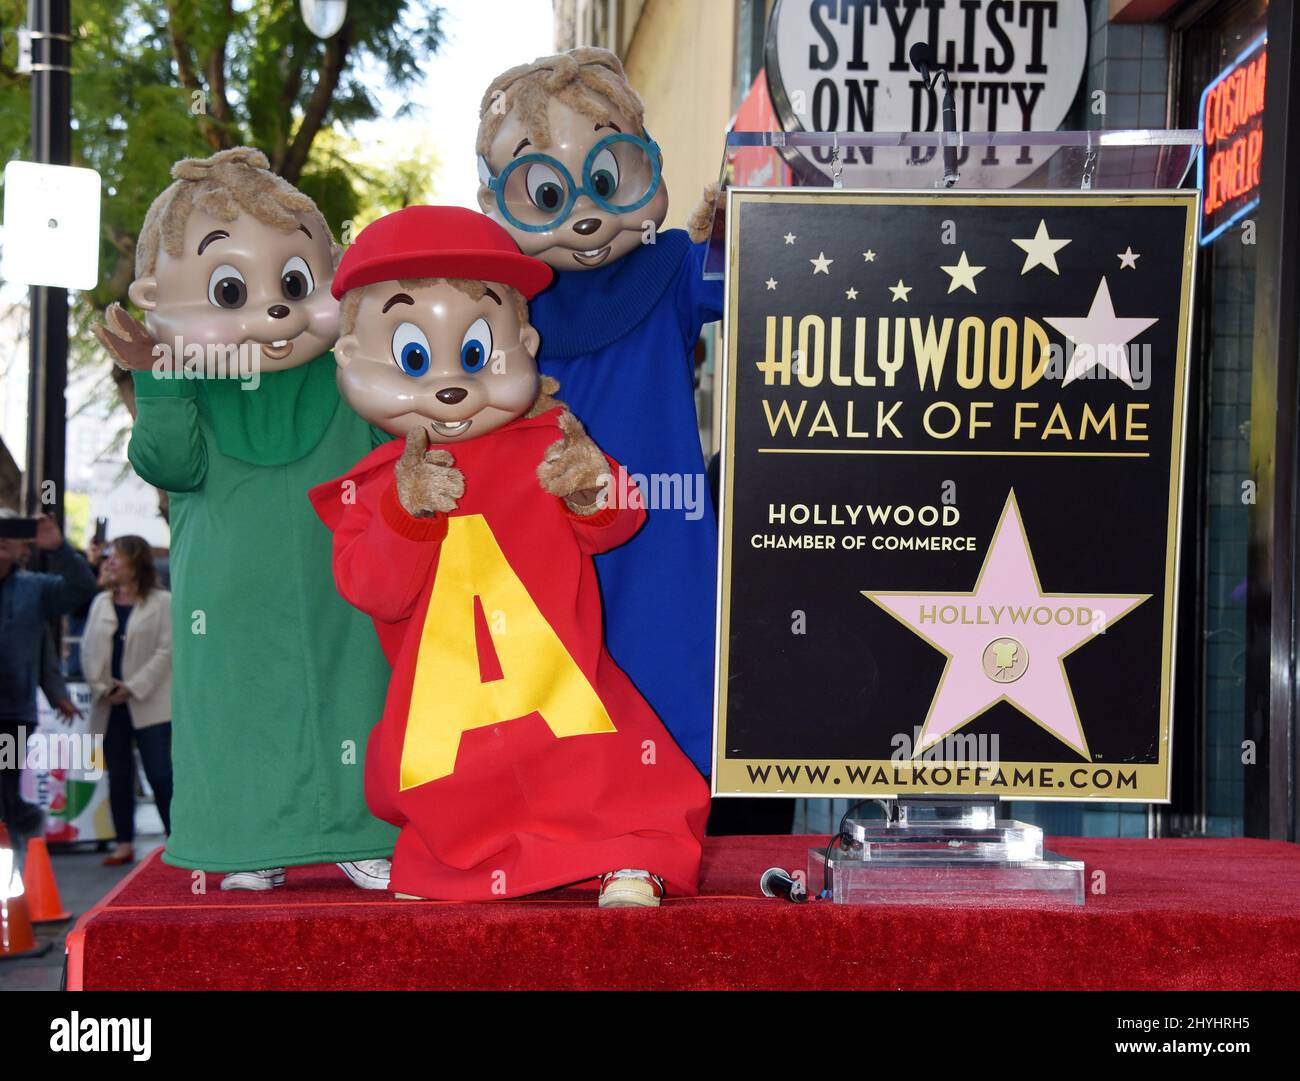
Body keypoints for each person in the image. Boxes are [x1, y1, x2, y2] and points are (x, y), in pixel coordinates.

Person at [0, 510, 98, 842]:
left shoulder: (34, 589)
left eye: (9, 532)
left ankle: (15, 862)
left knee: (5, 787)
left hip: (12, 717)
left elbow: (83, 588)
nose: (2, 539)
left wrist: (59, 548)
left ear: (22, 547)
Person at [80, 536, 174, 866]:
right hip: (111, 703)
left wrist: (133, 686)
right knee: (118, 774)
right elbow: (89, 650)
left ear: (135, 562)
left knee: (160, 773)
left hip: (150, 702)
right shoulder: (101, 603)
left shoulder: (162, 602)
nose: (109, 563)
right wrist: (103, 687)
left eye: (115, 557)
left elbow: (167, 650)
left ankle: (175, 840)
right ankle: (123, 841)